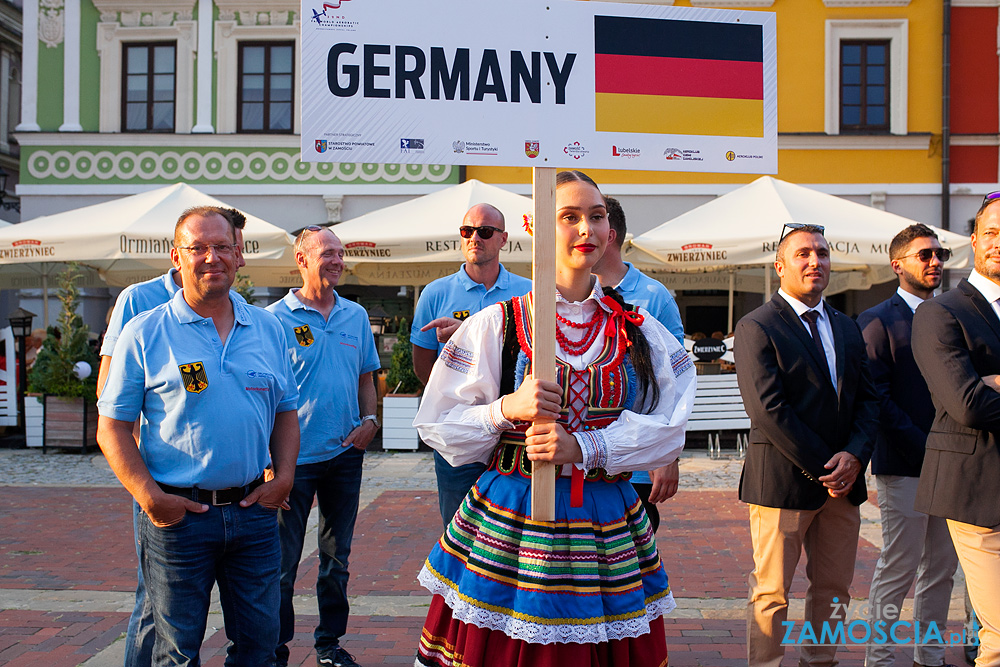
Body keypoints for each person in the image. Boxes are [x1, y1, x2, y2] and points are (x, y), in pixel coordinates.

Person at [413, 170, 696, 667]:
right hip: (515, 513)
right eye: (570, 217)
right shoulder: (498, 324)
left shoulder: (637, 327)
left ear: (611, 231)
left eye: (596, 216)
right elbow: (438, 422)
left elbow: (671, 426)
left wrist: (585, 449)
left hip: (605, 516)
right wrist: (507, 409)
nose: (586, 230)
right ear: (538, 226)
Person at [97, 206, 299, 667]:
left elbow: (286, 410)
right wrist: (149, 497)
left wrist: (284, 476)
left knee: (259, 648)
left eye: (222, 246)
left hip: (254, 515)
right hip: (178, 519)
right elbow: (110, 428)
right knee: (177, 652)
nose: (212, 257)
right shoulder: (145, 332)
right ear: (176, 256)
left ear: (238, 254)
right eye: (198, 248)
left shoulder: (267, 328)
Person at [735, 222, 879, 667]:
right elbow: (768, 411)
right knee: (772, 592)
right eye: (803, 254)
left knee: (835, 588)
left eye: (822, 252)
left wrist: (855, 456)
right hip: (784, 483)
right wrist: (828, 465)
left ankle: (821, 661)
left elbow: (869, 401)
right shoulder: (757, 325)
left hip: (843, 485)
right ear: (780, 266)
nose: (815, 261)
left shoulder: (848, 326)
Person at [267, 226, 381, 667]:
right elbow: (263, 394)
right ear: (302, 258)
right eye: (327, 253)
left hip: (344, 457)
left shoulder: (354, 315)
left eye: (340, 253)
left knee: (337, 559)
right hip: (290, 462)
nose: (337, 260)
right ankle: (275, 649)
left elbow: (365, 377)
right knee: (282, 564)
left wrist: (370, 420)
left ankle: (328, 644)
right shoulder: (275, 319)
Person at [858, 224, 958, 667]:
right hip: (905, 464)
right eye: (925, 255)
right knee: (898, 567)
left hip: (956, 466)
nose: (935, 262)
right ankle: (879, 658)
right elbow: (876, 397)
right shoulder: (877, 320)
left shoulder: (955, 314)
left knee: (942, 569)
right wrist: (926, 447)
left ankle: (929, 656)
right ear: (898, 265)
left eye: (940, 255)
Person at [912, 191, 1000, 667]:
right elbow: (967, 403)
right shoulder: (941, 312)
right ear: (974, 241)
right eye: (991, 232)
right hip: (977, 491)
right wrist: (984, 390)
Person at [410, 203, 532, 527]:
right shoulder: (436, 293)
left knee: (513, 533)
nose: (475, 238)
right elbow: (423, 365)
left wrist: (466, 331)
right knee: (458, 530)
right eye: (467, 231)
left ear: (503, 239)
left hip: (512, 434)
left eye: (485, 231)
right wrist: (451, 405)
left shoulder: (529, 292)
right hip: (460, 434)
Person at [592, 195, 683, 532]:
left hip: (636, 458)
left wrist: (668, 455)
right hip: (577, 456)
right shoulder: (565, 292)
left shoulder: (653, 295)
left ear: (609, 233)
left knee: (629, 565)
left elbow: (672, 380)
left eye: (592, 220)